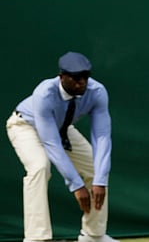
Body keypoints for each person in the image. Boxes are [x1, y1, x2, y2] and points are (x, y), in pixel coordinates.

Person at [6, 52, 119, 242]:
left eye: (85, 77)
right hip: (25, 126)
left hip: (62, 128)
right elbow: (51, 144)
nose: (81, 82)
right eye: (76, 78)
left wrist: (100, 180)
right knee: (40, 167)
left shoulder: (97, 91)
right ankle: (36, 238)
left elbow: (102, 137)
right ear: (62, 77)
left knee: (96, 167)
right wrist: (76, 185)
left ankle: (93, 236)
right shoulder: (44, 93)